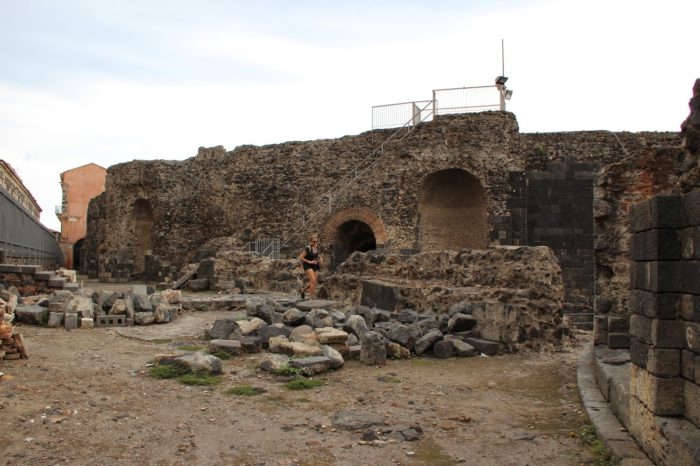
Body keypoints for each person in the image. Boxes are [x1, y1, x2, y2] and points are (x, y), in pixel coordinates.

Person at [298, 234, 322, 299]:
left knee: (314, 282)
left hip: (314, 265)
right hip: (307, 265)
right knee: (313, 281)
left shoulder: (316, 247)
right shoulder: (308, 248)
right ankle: (312, 298)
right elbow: (301, 257)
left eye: (316, 241)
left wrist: (320, 258)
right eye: (313, 241)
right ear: (310, 241)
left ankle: (303, 290)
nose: (315, 243)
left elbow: (316, 255)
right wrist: (309, 261)